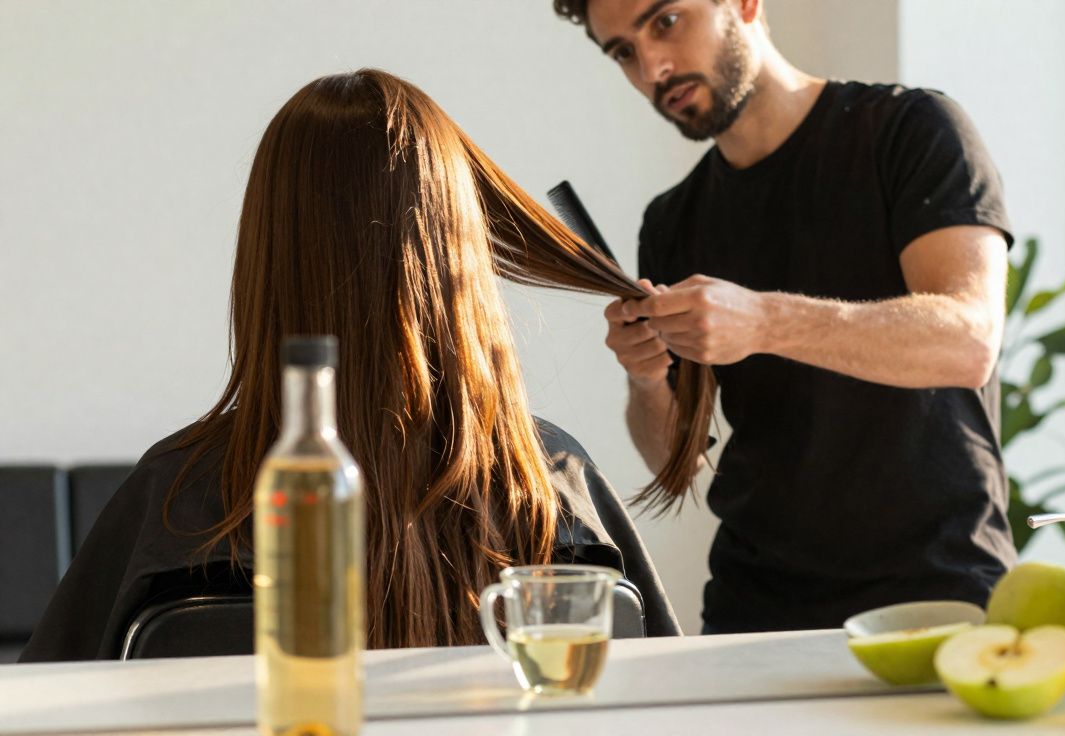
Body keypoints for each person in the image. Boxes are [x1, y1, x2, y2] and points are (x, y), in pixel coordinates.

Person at [21, 69, 679, 662]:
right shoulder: (555, 483)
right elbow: (673, 703)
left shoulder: (173, 498)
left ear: (269, 261)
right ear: (461, 256)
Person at [553, 0, 1018, 633]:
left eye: (665, 21)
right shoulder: (673, 220)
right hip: (755, 611)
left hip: (939, 595)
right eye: (624, 52)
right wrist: (645, 377)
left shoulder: (912, 130)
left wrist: (764, 321)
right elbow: (678, 462)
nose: (653, 67)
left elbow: (967, 342)